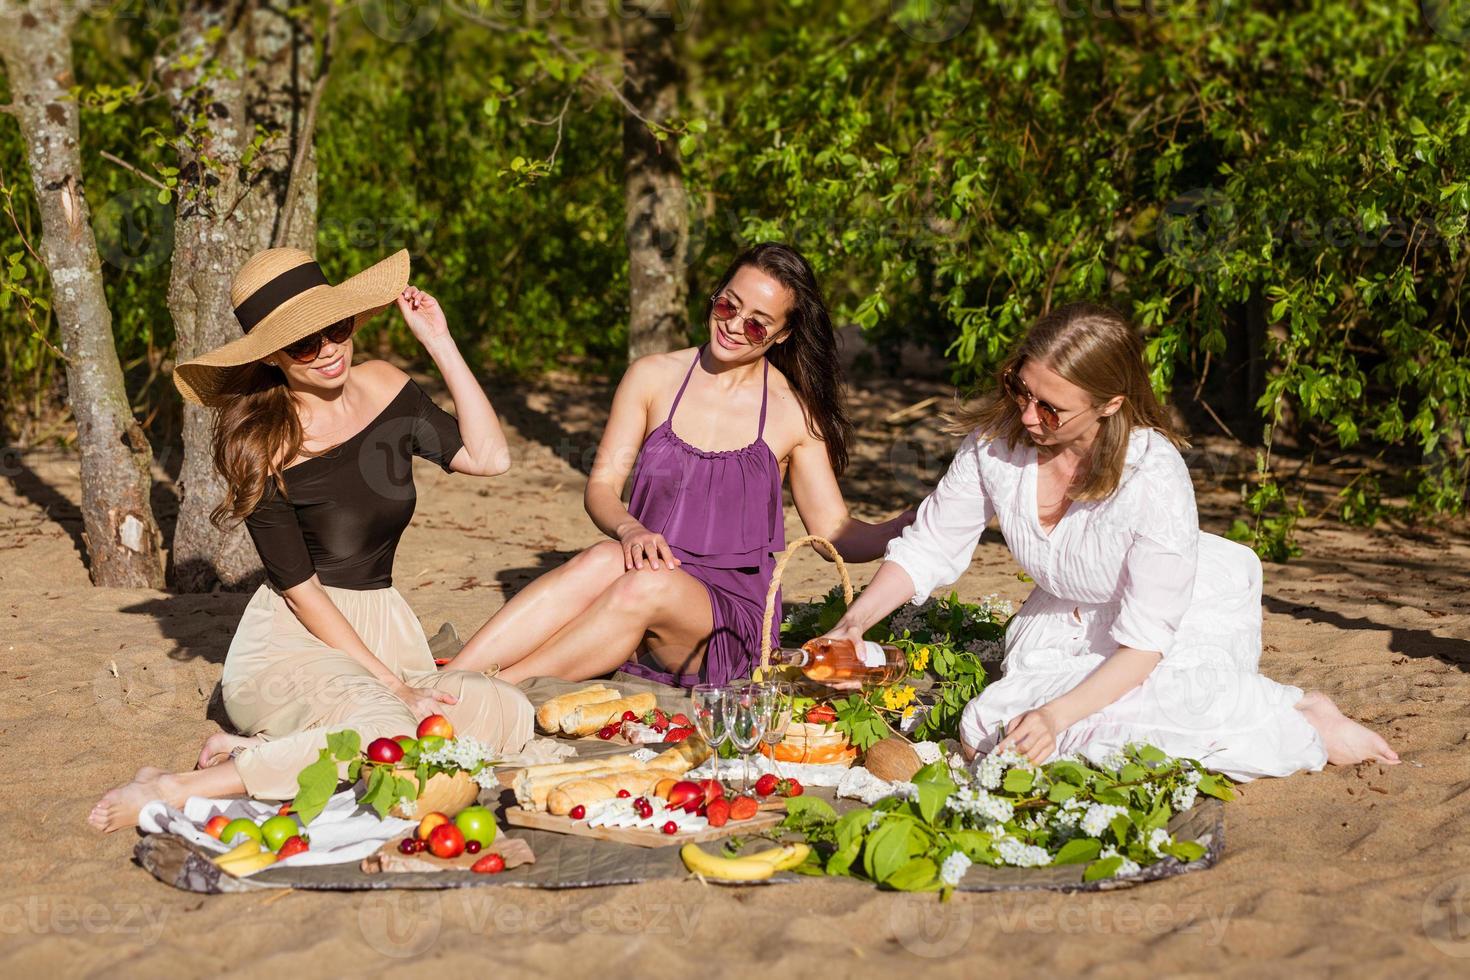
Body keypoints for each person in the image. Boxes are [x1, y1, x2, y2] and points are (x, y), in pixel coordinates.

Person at [819, 301, 1398, 780]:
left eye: (1052, 407)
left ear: (1110, 405)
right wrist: (855, 622)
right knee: (984, 731)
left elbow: (1146, 642)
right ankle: (1257, 706)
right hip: (1067, 622)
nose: (1028, 417)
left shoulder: (1153, 473)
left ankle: (1301, 714)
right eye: (1021, 391)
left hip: (1175, 616)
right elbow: (929, 546)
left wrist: (1055, 715)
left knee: (1149, 725)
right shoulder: (994, 446)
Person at [89, 248, 534, 832]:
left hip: (385, 629)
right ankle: (175, 786)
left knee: (506, 710)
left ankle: (256, 750)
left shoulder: (386, 387)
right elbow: (301, 591)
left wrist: (439, 341)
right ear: (272, 355)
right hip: (294, 641)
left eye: (337, 328)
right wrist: (396, 686)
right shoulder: (262, 445)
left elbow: (490, 456)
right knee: (388, 729)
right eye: (303, 343)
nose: (328, 350)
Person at [446, 243, 913, 686]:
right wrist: (630, 530)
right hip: (643, 575)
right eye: (728, 306)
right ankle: (448, 679)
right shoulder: (652, 376)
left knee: (645, 585)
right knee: (602, 558)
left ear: (782, 335)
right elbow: (602, 487)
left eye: (756, 324)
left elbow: (835, 534)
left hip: (726, 624)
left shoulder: (794, 414)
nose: (733, 326)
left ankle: (495, 688)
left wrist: (909, 523)